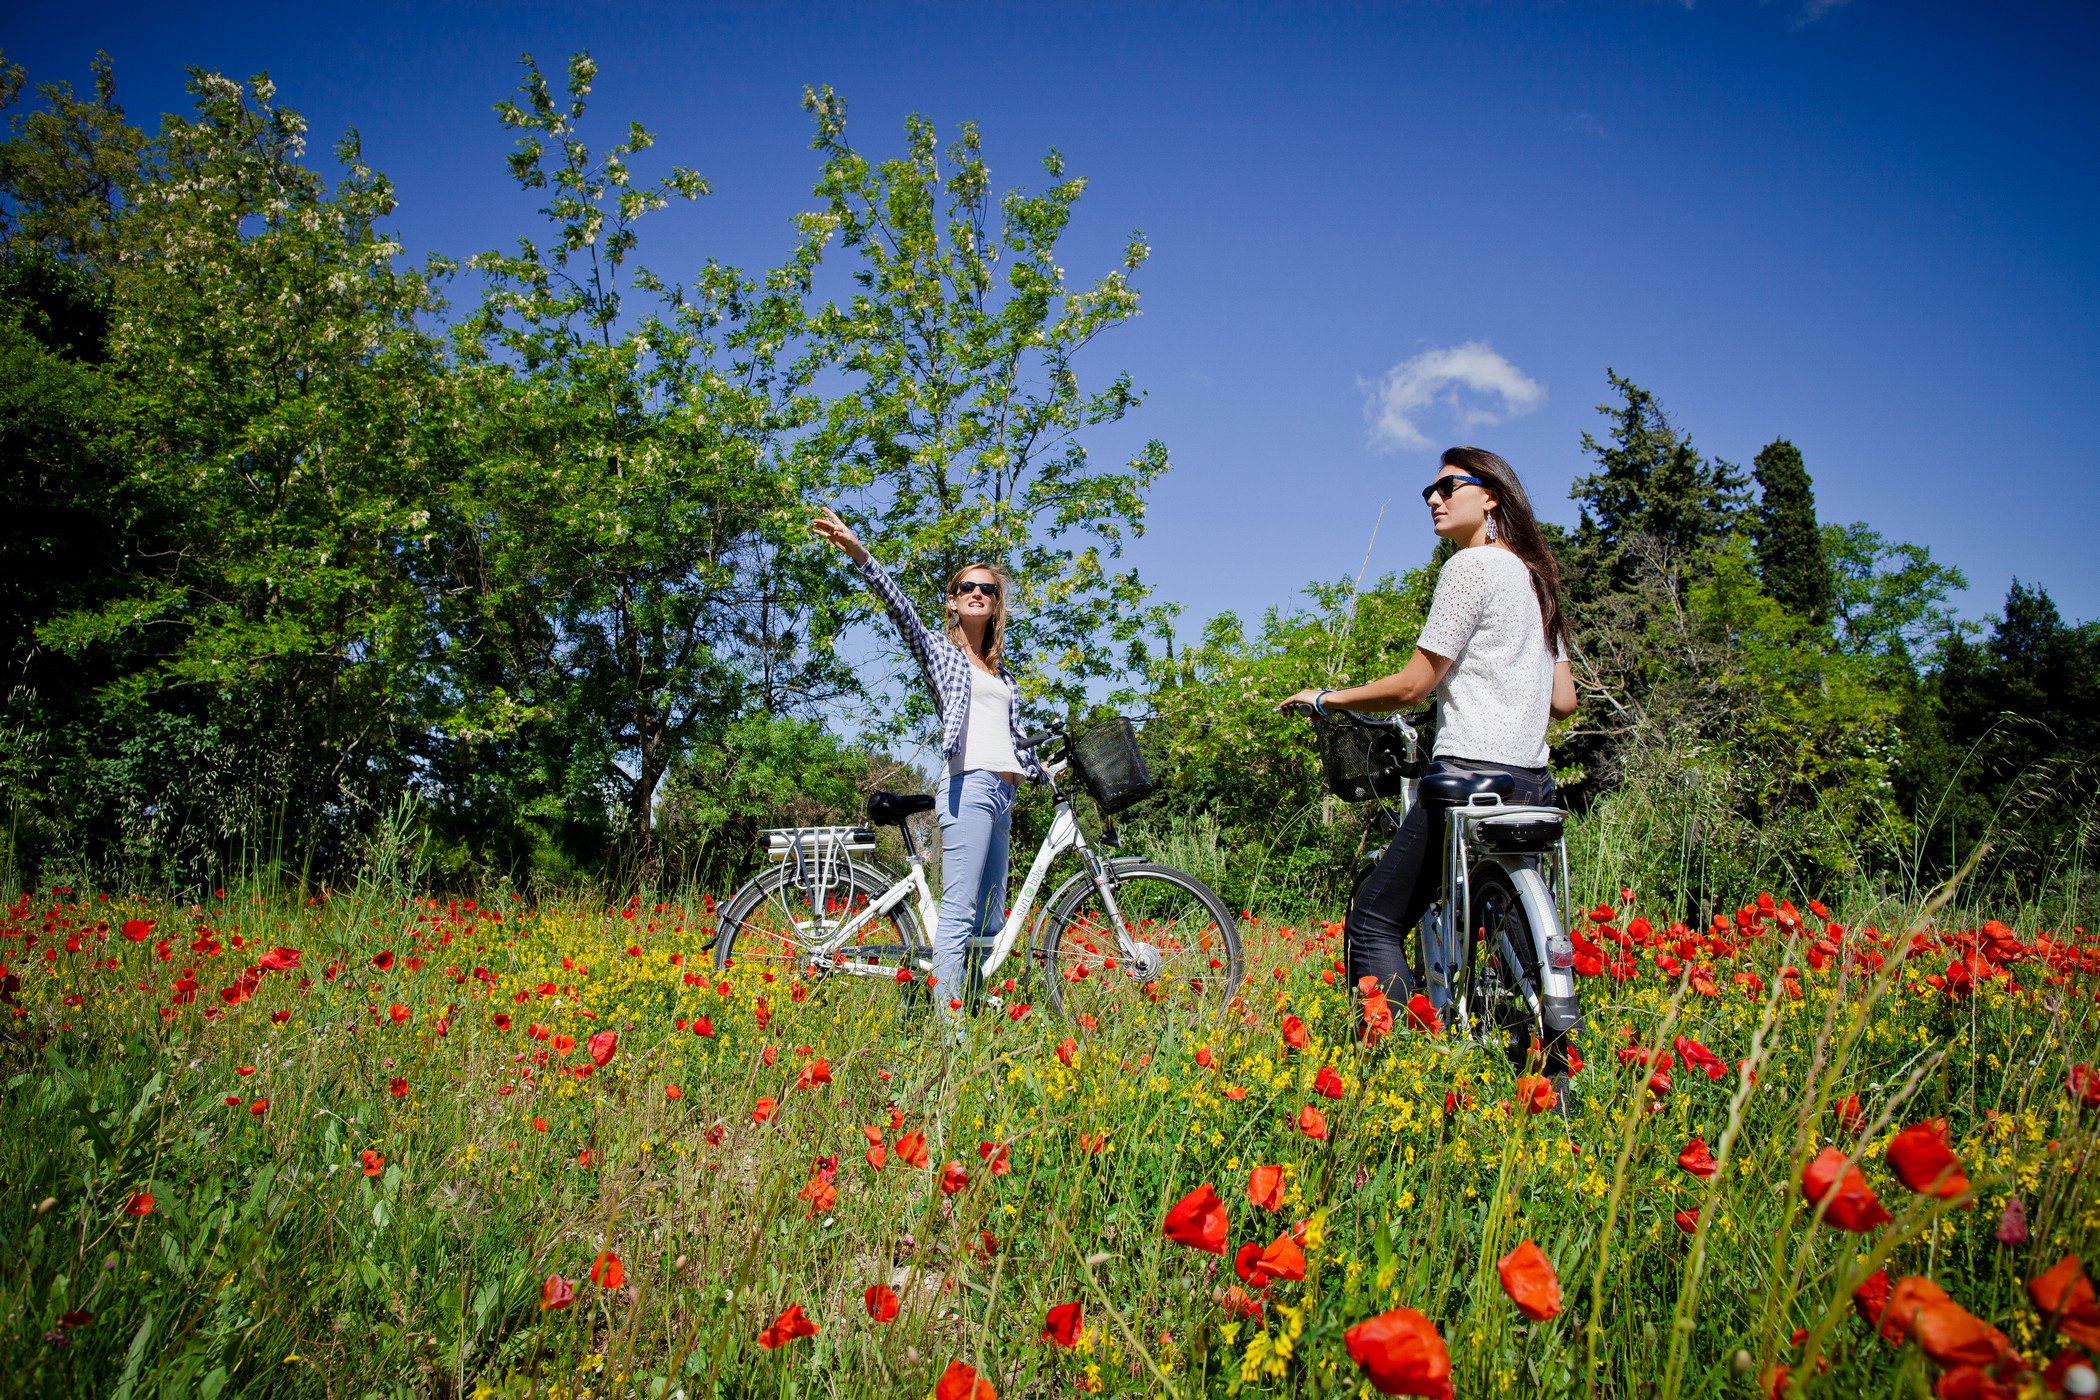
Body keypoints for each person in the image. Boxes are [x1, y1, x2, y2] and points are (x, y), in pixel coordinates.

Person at [1278, 447, 1576, 1020]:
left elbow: (1415, 685)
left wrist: (1326, 698)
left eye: (1446, 487)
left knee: (1373, 920)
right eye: (1427, 494)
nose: (1433, 500)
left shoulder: (1470, 566)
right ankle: (1535, 1041)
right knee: (1508, 933)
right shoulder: (1537, 582)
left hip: (1466, 778)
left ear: (1490, 495)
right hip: (1531, 784)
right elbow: (1563, 701)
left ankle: (1399, 1065)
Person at [811, 507, 1044, 1033]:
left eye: (987, 588)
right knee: (960, 914)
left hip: (1003, 794)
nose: (977, 593)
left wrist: (1040, 768)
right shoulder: (943, 654)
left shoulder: (1003, 673)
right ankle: (950, 1032)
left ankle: (975, 1012)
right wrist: (857, 550)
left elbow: (1012, 739)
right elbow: (900, 611)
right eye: (966, 587)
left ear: (997, 602)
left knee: (989, 918)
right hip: (969, 789)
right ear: (954, 601)